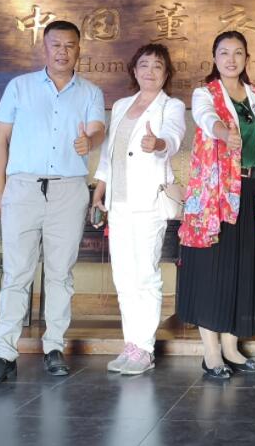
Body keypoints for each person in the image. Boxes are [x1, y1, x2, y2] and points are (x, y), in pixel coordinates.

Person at [0, 20, 106, 386]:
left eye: (69, 45)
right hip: (22, 188)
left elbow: (98, 129)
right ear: (44, 48)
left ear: (79, 50)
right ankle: (4, 354)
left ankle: (54, 347)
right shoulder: (19, 87)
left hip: (68, 189)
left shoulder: (91, 92)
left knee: (60, 273)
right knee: (16, 273)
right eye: (56, 45)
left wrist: (89, 142)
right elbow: (0, 139)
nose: (62, 51)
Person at [176, 30, 255, 380]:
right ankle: (211, 352)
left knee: (242, 267)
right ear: (214, 57)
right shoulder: (205, 93)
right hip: (215, 195)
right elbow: (206, 119)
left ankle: (232, 348)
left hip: (251, 191)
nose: (231, 59)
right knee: (213, 266)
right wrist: (223, 132)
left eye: (238, 53)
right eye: (224, 52)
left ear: (247, 58)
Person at [90, 43, 186, 375]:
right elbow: (109, 154)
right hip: (117, 203)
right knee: (124, 277)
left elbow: (173, 137)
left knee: (145, 275)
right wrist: (99, 190)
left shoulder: (171, 106)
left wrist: (157, 143)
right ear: (134, 70)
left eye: (157, 66)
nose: (150, 71)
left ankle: (144, 348)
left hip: (148, 203)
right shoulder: (120, 106)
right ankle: (130, 344)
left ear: (166, 73)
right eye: (144, 65)